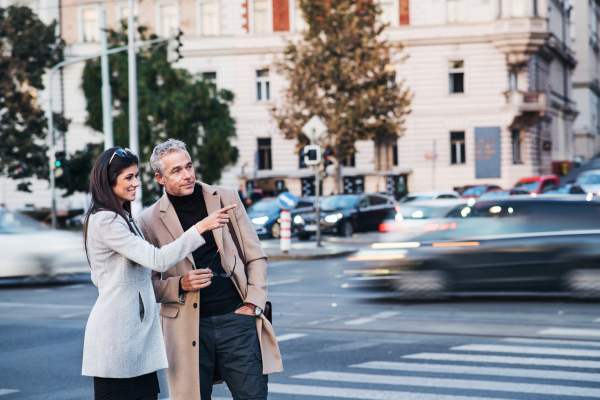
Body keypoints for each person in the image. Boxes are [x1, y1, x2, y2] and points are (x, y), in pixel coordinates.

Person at [81, 147, 235, 400]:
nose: (136, 184)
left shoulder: (122, 218)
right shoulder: (106, 222)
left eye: (136, 176)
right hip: (117, 338)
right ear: (109, 182)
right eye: (128, 177)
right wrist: (200, 228)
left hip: (135, 336)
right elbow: (157, 259)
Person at [137, 139, 283, 400]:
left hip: (237, 318)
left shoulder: (226, 197)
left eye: (189, 166)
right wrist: (181, 284)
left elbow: (256, 256)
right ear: (160, 178)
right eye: (177, 171)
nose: (188, 175)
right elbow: (146, 285)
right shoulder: (148, 221)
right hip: (184, 328)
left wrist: (252, 304)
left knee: (253, 396)